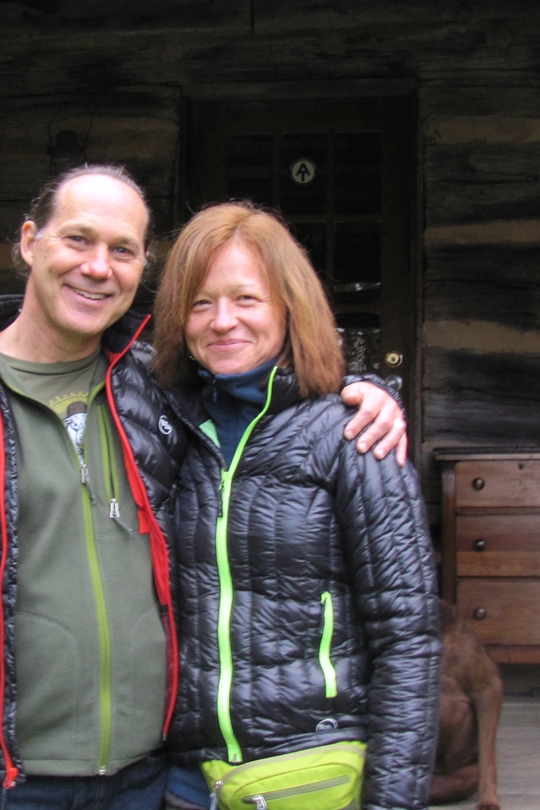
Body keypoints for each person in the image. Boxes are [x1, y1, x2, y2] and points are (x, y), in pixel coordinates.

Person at [0, 166, 407, 810]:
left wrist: (366, 395)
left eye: (122, 250)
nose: (98, 267)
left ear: (142, 267)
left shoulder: (157, 380)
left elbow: (267, 389)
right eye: (77, 240)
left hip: (147, 776)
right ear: (30, 242)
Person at [151, 201, 441, 810]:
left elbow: (407, 639)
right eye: (200, 303)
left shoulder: (354, 437)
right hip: (181, 779)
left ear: (290, 305)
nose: (222, 321)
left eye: (246, 299)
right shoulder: (161, 428)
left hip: (314, 772)